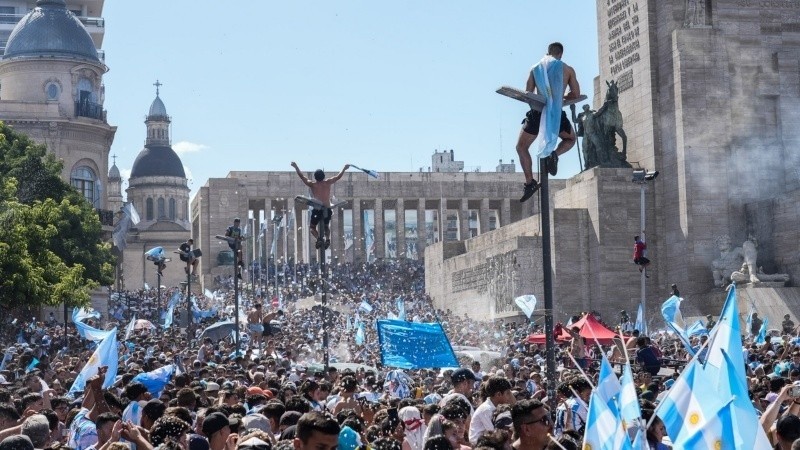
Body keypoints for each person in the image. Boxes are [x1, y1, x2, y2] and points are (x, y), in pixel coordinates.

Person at [515, 42, 580, 203]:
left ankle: (529, 182)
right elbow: (576, 94)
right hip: (555, 114)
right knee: (571, 138)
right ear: (561, 54)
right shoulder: (567, 69)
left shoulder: (536, 68)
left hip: (537, 112)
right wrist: (559, 98)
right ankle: (554, 154)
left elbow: (528, 93)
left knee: (521, 147)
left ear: (547, 52)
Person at [290, 162, 350, 249]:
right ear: (323, 176)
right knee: (326, 225)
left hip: (317, 209)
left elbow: (302, 177)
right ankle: (328, 239)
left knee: (312, 227)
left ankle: (318, 238)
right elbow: (338, 177)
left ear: (315, 177)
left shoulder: (312, 184)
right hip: (327, 208)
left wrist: (296, 167)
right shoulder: (328, 182)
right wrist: (344, 168)